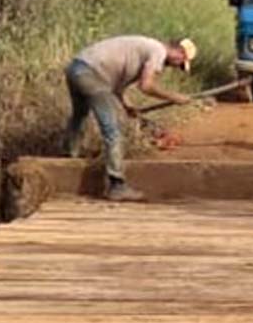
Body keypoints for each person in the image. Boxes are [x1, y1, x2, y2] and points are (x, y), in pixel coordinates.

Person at [63, 36, 197, 201]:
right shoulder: (158, 51)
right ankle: (117, 185)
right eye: (180, 64)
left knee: (80, 116)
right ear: (180, 53)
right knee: (112, 129)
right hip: (92, 74)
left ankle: (70, 156)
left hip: (76, 68)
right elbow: (146, 86)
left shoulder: (144, 47)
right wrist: (173, 97)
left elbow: (116, 86)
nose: (174, 67)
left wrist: (127, 106)